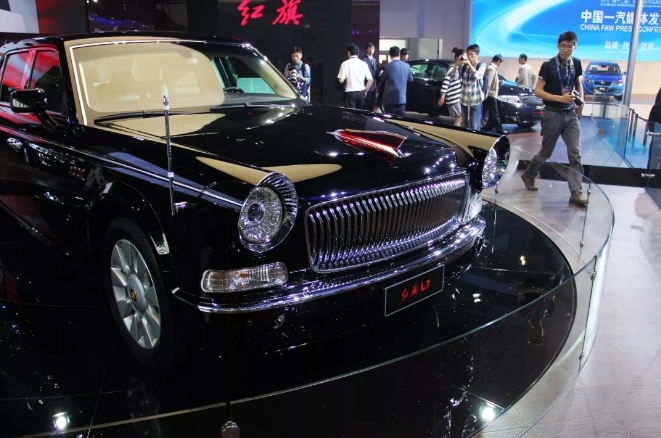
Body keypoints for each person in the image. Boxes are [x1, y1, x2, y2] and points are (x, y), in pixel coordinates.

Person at [521, 31, 587, 207]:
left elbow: (578, 83)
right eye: (563, 46)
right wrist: (560, 99)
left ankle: (576, 193)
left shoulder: (576, 63)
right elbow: (538, 91)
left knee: (575, 154)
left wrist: (581, 103)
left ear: (574, 47)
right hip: (552, 114)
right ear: (558, 46)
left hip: (571, 114)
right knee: (546, 151)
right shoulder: (548, 65)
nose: (566, 49)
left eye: (569, 46)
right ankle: (529, 174)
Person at [455, 44, 486, 131]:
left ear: (477, 55)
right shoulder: (464, 66)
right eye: (468, 54)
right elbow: (454, 77)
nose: (469, 57)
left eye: (472, 54)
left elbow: (477, 76)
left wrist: (469, 64)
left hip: (475, 99)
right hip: (464, 99)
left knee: (475, 126)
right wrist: (457, 64)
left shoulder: (481, 65)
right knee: (463, 126)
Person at [337, 44, 373, 109]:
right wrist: (366, 90)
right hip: (361, 93)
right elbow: (370, 80)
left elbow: (341, 80)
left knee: (351, 113)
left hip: (350, 93)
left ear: (349, 53)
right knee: (360, 113)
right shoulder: (364, 64)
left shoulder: (345, 64)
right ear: (358, 53)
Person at [380, 46, 413, 116]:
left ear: (390, 55)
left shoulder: (387, 66)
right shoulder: (407, 66)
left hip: (389, 99)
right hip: (401, 99)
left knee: (389, 120)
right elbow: (410, 79)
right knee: (401, 120)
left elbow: (382, 78)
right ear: (399, 54)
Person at [482, 54, 509, 135]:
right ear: (499, 61)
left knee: (486, 112)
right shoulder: (491, 69)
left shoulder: (491, 68)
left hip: (490, 95)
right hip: (491, 95)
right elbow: (488, 83)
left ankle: (483, 127)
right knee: (495, 113)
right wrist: (485, 95)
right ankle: (500, 131)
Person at [438, 47, 464, 126]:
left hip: (457, 98)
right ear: (457, 57)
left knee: (459, 118)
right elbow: (446, 81)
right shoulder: (452, 68)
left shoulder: (460, 68)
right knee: (458, 118)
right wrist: (442, 96)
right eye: (461, 57)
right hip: (453, 98)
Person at [361, 42, 378, 111]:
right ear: (366, 49)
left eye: (372, 48)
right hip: (367, 85)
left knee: (372, 105)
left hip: (374, 86)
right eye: (369, 48)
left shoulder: (374, 60)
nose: (371, 50)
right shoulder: (363, 60)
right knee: (366, 105)